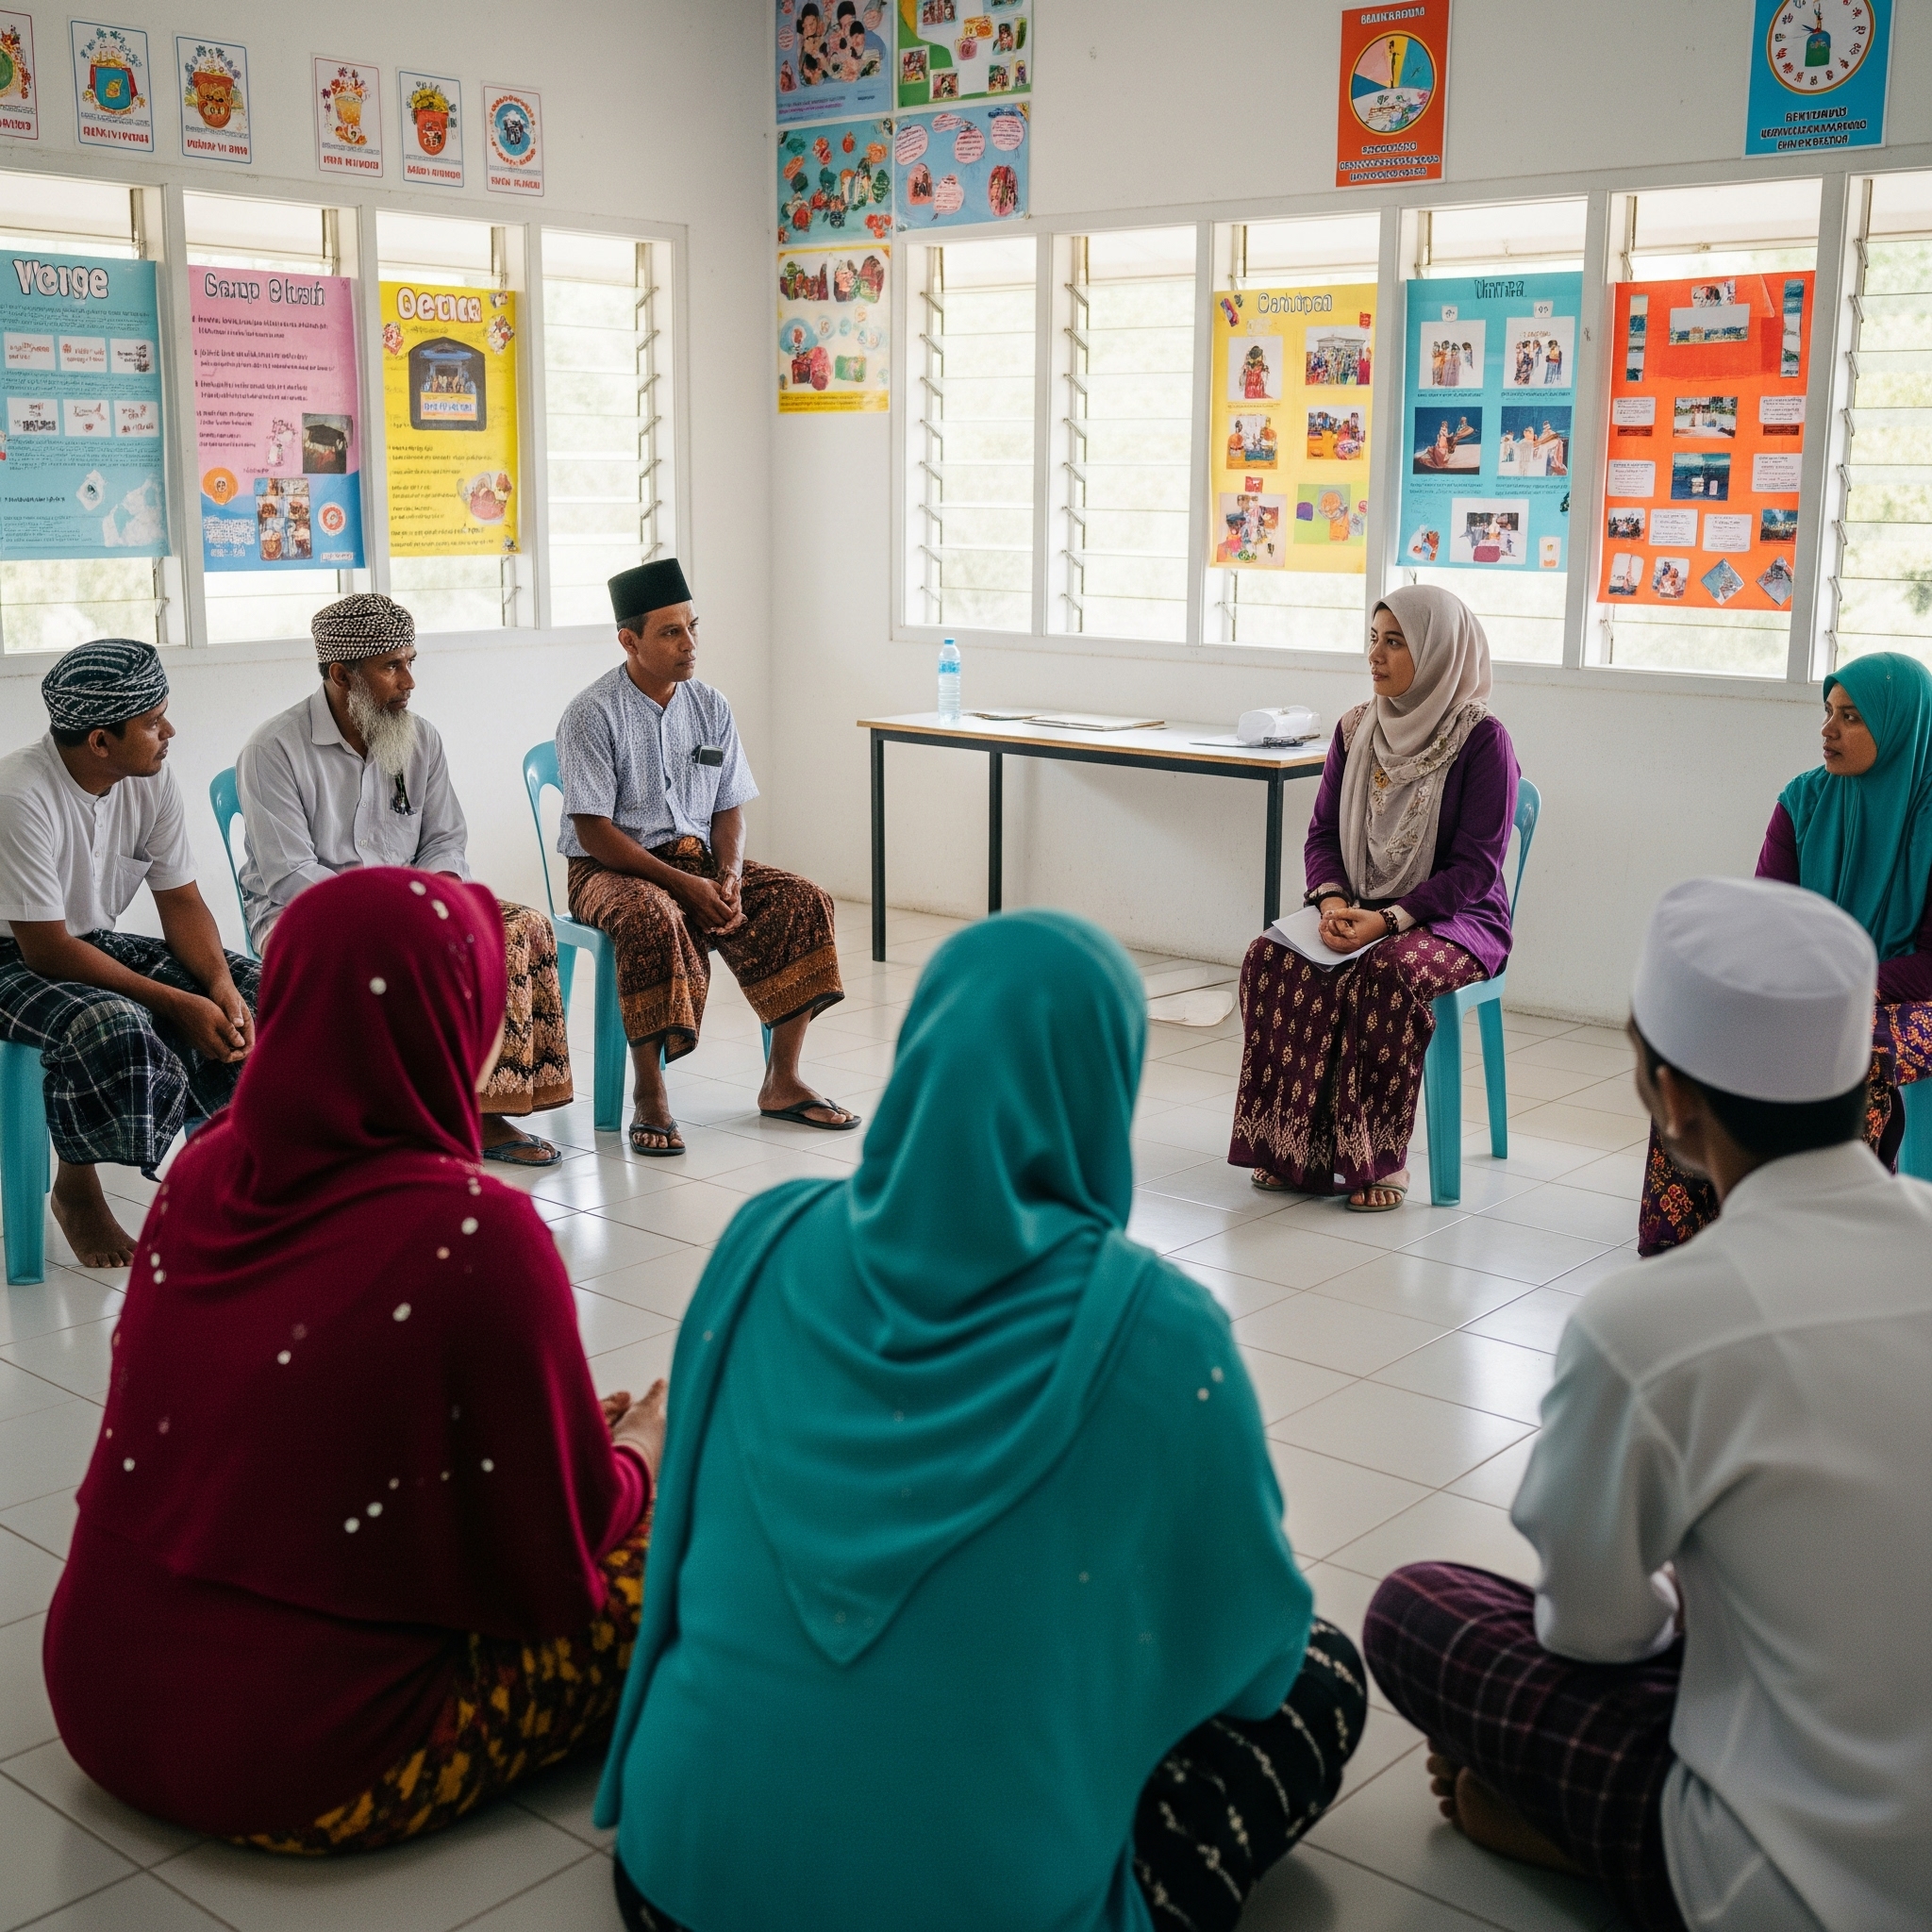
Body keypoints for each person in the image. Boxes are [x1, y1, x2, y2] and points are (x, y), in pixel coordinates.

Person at [591, 911, 1364, 1932]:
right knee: (1318, 1672)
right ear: (1104, 1087)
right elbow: (1257, 1660)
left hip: (680, 1883)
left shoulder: (759, 1240)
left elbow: (686, 1538)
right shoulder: (1160, 1333)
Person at [42, 869, 667, 1848]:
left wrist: (557, 1438)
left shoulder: (205, 1171)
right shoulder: (477, 1233)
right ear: (454, 1017)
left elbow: (312, 1438)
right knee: (689, 1544)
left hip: (96, 1698)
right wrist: (637, 1458)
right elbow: (561, 1555)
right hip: (308, 1760)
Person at [1365, 877, 1932, 1932]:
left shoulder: (1647, 1323)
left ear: (1669, 1095)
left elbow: (1592, 1632)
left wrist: (1684, 1593)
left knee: (1415, 1606)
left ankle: (1574, 1828)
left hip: (1779, 1880)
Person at [235, 593, 574, 1166]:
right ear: (341, 674)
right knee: (400, 949)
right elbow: (290, 875)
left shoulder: (421, 738)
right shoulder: (273, 750)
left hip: (413, 903)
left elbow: (445, 841)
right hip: (309, 917)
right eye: (392, 666)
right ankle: (398, 1116)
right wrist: (398, 911)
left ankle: (486, 1111)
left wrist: (433, 899)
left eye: (411, 661)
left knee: (519, 927)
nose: (409, 681)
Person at [1229, 586, 1518, 1209]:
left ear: (1439, 653)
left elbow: (1476, 868)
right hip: (1355, 906)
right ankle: (1290, 1146)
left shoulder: (1482, 741)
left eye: (1395, 642)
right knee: (1270, 958)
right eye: (1373, 639)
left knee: (1389, 973)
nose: (1375, 656)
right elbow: (1322, 835)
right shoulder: (1356, 728)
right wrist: (1333, 907)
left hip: (1457, 920)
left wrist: (1387, 921)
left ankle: (1377, 1160)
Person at [558, 559, 854, 1157]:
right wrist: (679, 886)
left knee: (803, 899)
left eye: (693, 627)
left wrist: (728, 875)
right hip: (609, 869)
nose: (690, 644)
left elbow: (729, 807)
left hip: (696, 861)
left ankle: (783, 1080)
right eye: (671, 632)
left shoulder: (710, 705)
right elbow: (592, 830)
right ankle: (650, 1095)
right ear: (629, 640)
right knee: (650, 918)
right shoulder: (591, 713)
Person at [1640, 652, 1932, 1250]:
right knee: (1696, 1045)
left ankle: (1841, 1245)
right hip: (1809, 985)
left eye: (1851, 717)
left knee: (1859, 1059)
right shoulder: (1804, 801)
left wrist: (1844, 984)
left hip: (1910, 997)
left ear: (1902, 728)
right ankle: (1689, 1241)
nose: (1827, 730)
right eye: (1828, 712)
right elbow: (1764, 922)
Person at [0, 641, 258, 1268]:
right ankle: (76, 1187)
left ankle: (220, 1172)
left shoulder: (150, 776)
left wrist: (217, 986)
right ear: (99, 742)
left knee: (258, 989)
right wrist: (177, 1000)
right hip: (16, 954)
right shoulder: (19, 796)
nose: (169, 731)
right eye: (152, 722)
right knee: (111, 1023)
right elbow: (47, 948)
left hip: (87, 942)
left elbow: (182, 901)